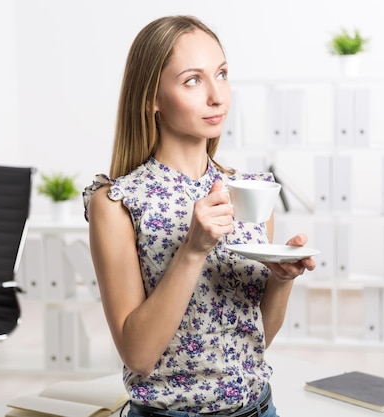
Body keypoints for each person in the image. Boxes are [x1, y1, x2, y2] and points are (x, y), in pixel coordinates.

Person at [83, 15, 315, 417]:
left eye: (222, 74)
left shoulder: (251, 192)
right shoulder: (117, 202)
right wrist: (193, 250)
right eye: (193, 80)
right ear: (151, 97)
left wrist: (281, 280)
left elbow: (255, 340)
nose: (217, 96)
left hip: (259, 409)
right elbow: (138, 355)